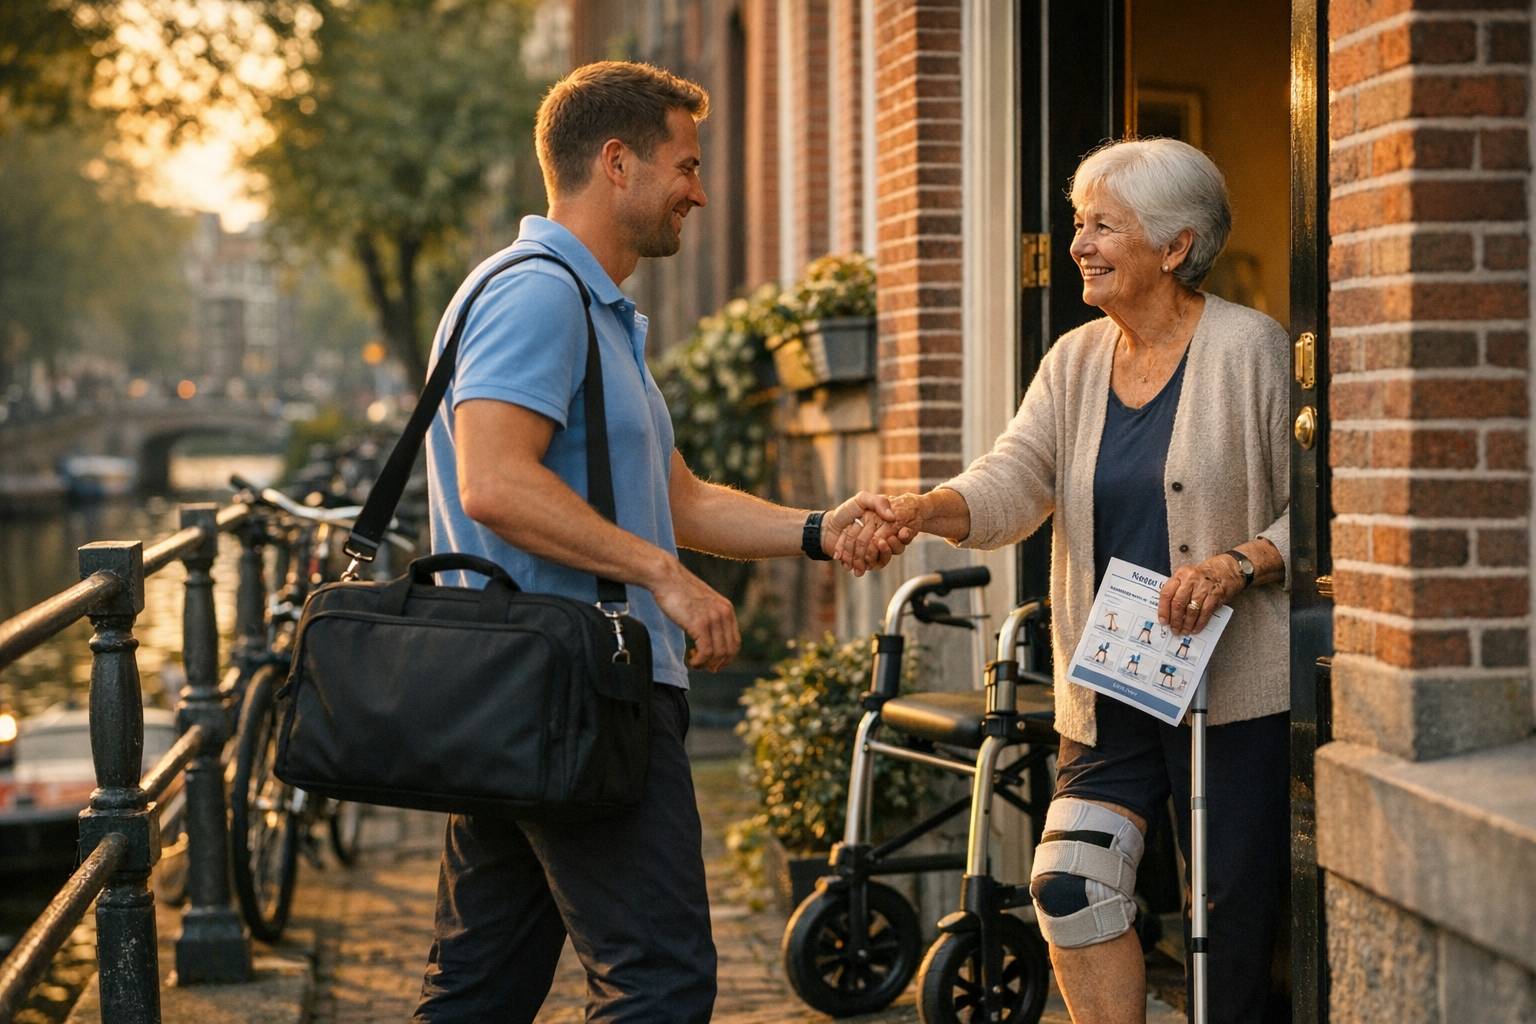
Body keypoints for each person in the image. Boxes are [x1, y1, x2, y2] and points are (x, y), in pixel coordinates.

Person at [413, 61, 890, 1023]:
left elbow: (678, 498)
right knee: (657, 983)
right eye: (687, 165)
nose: (699, 193)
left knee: (479, 993)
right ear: (617, 163)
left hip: (524, 693)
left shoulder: (589, 310)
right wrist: (661, 577)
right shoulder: (539, 297)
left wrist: (816, 529)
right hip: (581, 693)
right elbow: (495, 481)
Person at [843, 138, 1290, 1024]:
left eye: (1103, 227)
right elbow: (1014, 478)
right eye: (1079, 223)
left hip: (1233, 690)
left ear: (1175, 245)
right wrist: (923, 508)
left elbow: (1317, 511)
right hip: (1114, 680)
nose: (1079, 244)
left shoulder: (1251, 349)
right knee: (1070, 885)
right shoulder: (1076, 358)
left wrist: (1237, 564)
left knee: (1228, 922)